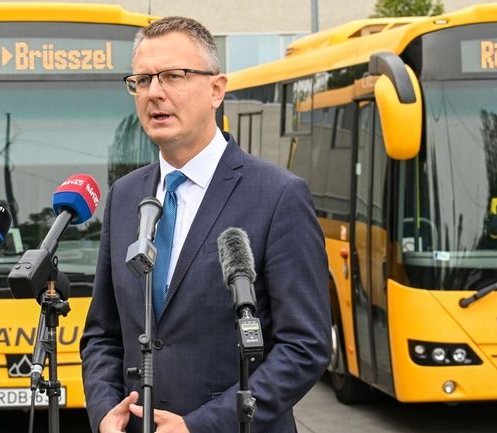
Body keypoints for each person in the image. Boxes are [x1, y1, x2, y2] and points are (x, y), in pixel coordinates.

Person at [80, 17, 330, 433]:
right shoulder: (124, 195)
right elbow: (102, 334)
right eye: (141, 80)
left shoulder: (279, 196)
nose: (154, 92)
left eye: (173, 76)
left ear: (217, 89)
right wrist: (105, 410)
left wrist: (202, 426)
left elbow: (305, 347)